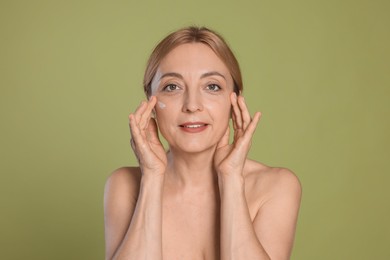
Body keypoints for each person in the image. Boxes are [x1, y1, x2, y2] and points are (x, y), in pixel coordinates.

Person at [104, 26, 302, 260]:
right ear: (151, 103)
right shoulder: (125, 186)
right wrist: (152, 178)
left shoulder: (276, 187)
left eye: (212, 86)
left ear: (235, 101)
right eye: (172, 87)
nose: (192, 105)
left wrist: (230, 179)